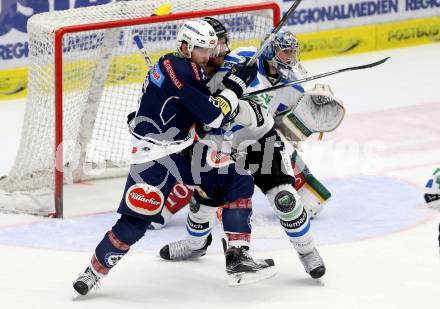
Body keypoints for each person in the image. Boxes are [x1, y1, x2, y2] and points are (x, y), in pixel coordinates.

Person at [72, 19, 260, 296]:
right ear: (185, 46)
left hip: (182, 150)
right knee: (135, 223)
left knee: (237, 179)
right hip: (155, 159)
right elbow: (214, 117)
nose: (207, 57)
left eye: (210, 50)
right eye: (201, 50)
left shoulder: (171, 63)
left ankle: (237, 257)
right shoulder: (186, 72)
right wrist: (235, 87)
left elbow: (186, 111)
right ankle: (93, 272)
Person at [160, 20, 346, 283]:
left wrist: (316, 100)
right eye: (211, 47)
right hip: (218, 144)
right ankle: (195, 246)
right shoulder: (213, 67)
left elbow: (289, 108)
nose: (217, 52)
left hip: (260, 141)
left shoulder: (269, 72)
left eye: (220, 45)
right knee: (203, 201)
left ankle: (307, 251)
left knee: (286, 199)